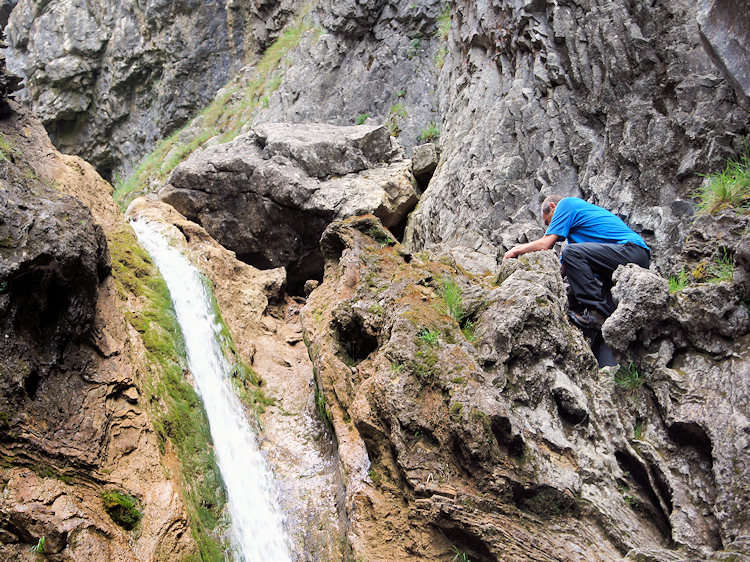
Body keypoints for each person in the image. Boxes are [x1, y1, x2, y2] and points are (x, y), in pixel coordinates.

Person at [503, 195, 650, 329]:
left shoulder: (567, 204)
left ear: (553, 206)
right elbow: (564, 271)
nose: (550, 226)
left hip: (631, 251)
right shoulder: (577, 240)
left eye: (549, 221)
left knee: (571, 253)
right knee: (604, 324)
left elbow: (545, 244)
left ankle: (597, 311)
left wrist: (516, 250)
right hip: (619, 264)